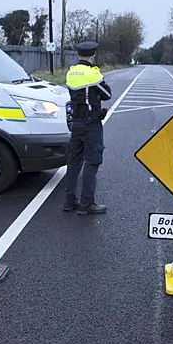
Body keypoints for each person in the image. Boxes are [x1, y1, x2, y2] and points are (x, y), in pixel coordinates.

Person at [63, 41, 112, 215]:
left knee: (74, 162)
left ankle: (69, 201)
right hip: (91, 124)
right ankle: (86, 204)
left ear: (78, 55)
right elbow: (107, 94)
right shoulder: (92, 74)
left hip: (76, 122)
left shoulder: (71, 72)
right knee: (92, 162)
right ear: (92, 55)